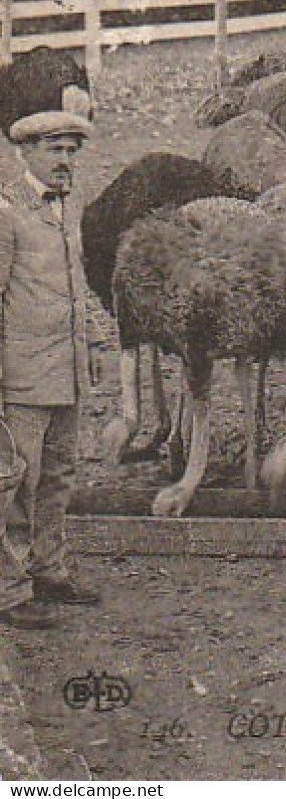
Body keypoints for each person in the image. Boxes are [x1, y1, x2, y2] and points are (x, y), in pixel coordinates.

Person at [0, 110, 99, 631]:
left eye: (70, 151)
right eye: (54, 151)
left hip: (67, 371)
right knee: (16, 482)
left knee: (58, 478)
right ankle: (10, 590)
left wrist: (92, 353)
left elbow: (72, 287)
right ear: (27, 154)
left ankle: (48, 568)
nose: (65, 162)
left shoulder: (69, 206)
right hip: (22, 378)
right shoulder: (7, 211)